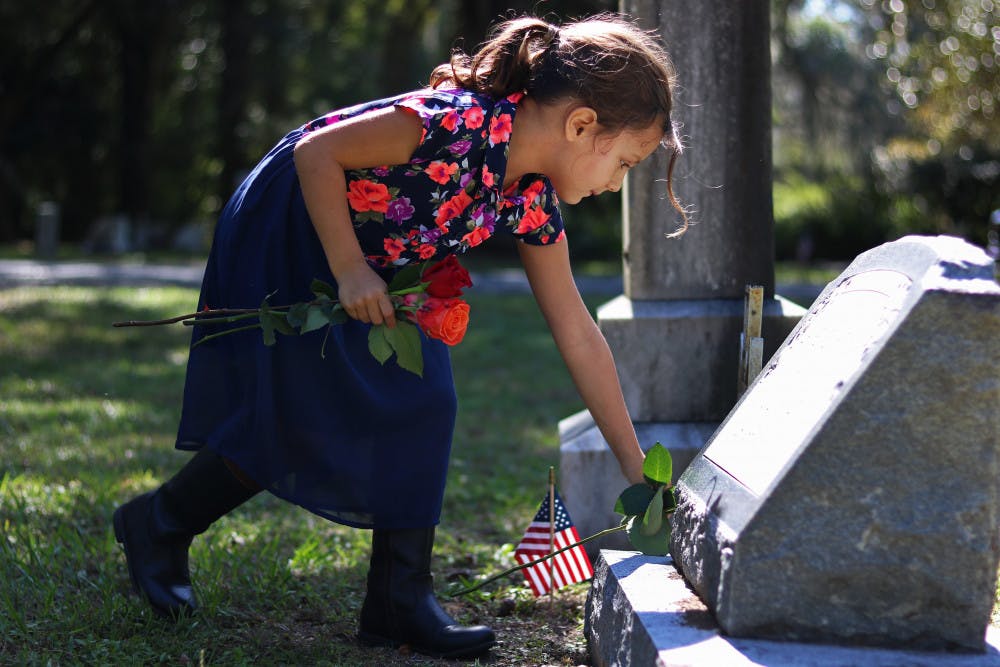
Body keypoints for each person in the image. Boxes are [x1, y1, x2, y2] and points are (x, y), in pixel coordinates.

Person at [112, 12, 687, 660]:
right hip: (300, 222)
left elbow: (578, 332)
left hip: (382, 257)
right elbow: (316, 153)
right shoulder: (456, 121)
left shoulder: (530, 197)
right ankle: (159, 523)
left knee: (426, 400)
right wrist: (350, 269)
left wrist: (638, 468)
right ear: (581, 124)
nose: (616, 183)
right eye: (625, 163)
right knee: (298, 410)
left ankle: (397, 598)